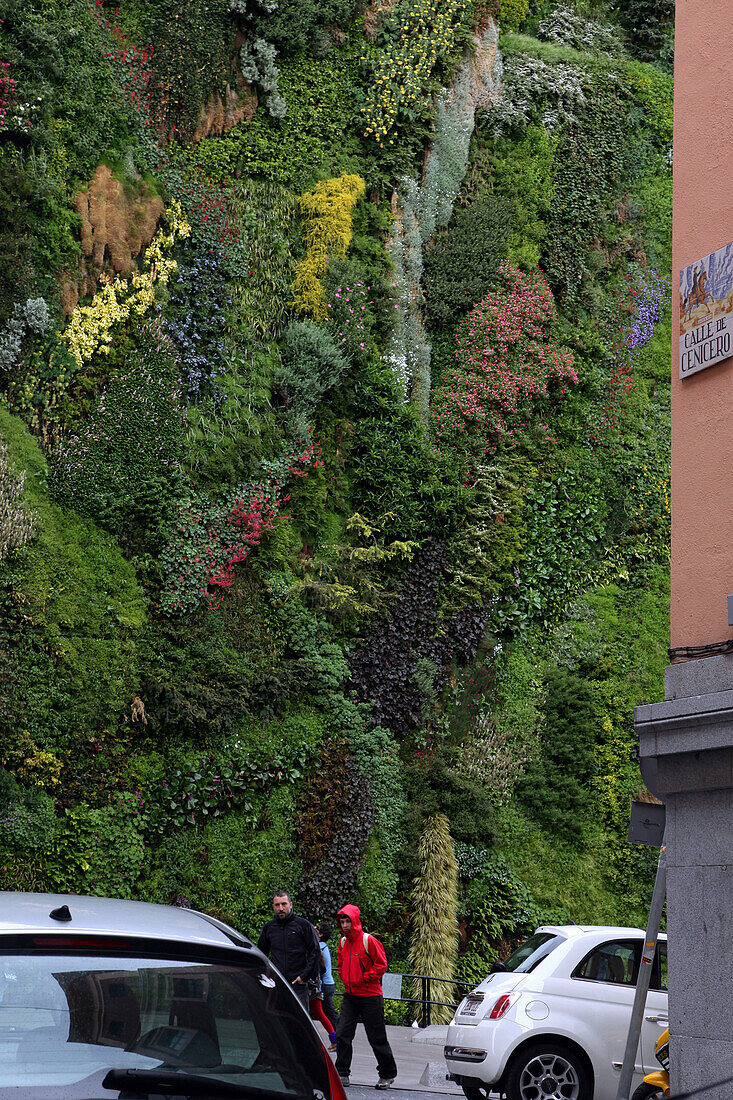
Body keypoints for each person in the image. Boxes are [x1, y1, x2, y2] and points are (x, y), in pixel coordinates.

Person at [335, 903, 397, 1090]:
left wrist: (363, 978)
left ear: (355, 921)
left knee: (376, 1037)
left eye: (347, 921)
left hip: (370, 996)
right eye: (342, 922)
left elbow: (381, 964)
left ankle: (387, 1074)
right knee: (342, 1034)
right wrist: (347, 979)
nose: (345, 925)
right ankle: (342, 1072)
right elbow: (340, 962)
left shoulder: (368, 940)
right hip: (351, 995)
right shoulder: (343, 942)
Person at [257, 890, 319, 1012]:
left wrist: (305, 976)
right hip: (276, 983)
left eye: (284, 904)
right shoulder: (269, 928)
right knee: (278, 1022)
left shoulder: (303, 925)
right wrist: (265, 976)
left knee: (300, 1022)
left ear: (290, 904)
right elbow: (261, 953)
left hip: (298, 984)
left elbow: (315, 951)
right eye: (277, 905)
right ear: (273, 906)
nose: (281, 908)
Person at [317, 921, 340, 1049]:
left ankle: (339, 1039)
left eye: (317, 928)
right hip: (328, 984)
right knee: (327, 1012)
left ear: (320, 934)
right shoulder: (323, 945)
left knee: (329, 1013)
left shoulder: (319, 947)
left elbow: (322, 968)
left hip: (325, 985)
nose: (314, 928)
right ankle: (337, 1039)